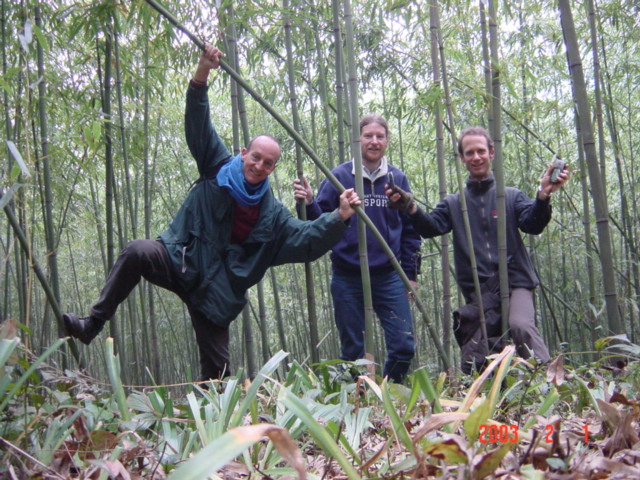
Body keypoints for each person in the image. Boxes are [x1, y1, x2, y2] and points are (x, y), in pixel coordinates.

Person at [63, 45, 361, 382]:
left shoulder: (272, 215)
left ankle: (213, 425)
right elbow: (198, 122)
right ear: (244, 152)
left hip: (216, 292)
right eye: (256, 157)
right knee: (137, 251)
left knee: (218, 375)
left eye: (268, 163)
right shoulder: (216, 166)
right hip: (180, 260)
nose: (259, 166)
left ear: (273, 168)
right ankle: (93, 324)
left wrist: (340, 215)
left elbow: (307, 239)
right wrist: (202, 72)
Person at [386, 126, 568, 373]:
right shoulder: (454, 203)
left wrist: (543, 195)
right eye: (469, 153)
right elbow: (431, 227)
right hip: (479, 289)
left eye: (481, 151)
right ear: (461, 158)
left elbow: (533, 225)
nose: (476, 157)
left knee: (520, 326)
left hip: (516, 281)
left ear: (491, 152)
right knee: (485, 352)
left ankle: (549, 382)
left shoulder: (511, 196)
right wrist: (410, 207)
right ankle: (499, 401)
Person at [293, 115, 421, 383]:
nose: (374, 141)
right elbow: (319, 222)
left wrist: (411, 274)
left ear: (387, 141)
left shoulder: (396, 178)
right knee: (352, 352)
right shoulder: (339, 176)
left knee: (403, 345)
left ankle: (388, 393)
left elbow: (411, 229)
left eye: (380, 136)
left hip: (390, 275)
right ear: (358, 139)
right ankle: (357, 404)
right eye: (368, 136)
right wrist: (306, 203)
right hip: (347, 275)